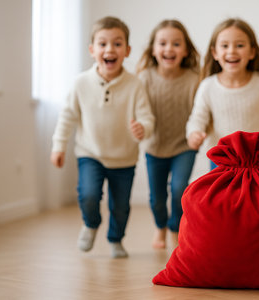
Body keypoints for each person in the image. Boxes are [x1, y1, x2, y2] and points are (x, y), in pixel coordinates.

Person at [50, 16, 155, 258]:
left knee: (120, 207)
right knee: (88, 195)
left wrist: (143, 128)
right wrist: (59, 146)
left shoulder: (135, 85)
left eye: (117, 44)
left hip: (124, 158)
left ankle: (116, 239)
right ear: (92, 50)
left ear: (127, 50)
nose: (110, 49)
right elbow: (67, 116)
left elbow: (147, 117)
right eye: (103, 44)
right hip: (90, 153)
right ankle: (91, 223)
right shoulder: (80, 83)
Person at [186, 18, 259, 168]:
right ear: (215, 53)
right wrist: (194, 133)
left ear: (252, 52)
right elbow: (197, 118)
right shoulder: (207, 87)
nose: (232, 51)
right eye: (224, 46)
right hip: (223, 161)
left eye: (240, 45)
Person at [136, 20, 199, 249]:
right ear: (153, 49)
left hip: (184, 146)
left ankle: (174, 227)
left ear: (185, 50)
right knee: (157, 197)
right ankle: (159, 226)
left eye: (176, 43)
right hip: (155, 146)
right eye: (162, 43)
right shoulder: (144, 78)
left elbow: (201, 112)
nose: (169, 48)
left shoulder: (194, 79)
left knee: (180, 188)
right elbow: (136, 111)